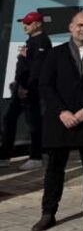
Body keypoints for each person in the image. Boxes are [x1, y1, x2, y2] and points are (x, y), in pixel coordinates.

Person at [32, 10, 83, 231]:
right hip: (61, 120)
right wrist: (62, 111)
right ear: (71, 27)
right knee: (54, 170)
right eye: (79, 25)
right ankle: (48, 213)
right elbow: (45, 85)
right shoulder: (55, 54)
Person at [1, 10, 51, 170]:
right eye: (24, 22)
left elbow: (37, 67)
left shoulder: (42, 41)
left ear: (38, 24)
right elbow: (24, 64)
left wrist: (27, 87)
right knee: (9, 119)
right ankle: (4, 155)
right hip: (20, 88)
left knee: (33, 122)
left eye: (28, 23)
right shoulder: (31, 40)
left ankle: (36, 156)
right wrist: (17, 83)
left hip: (30, 90)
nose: (25, 26)